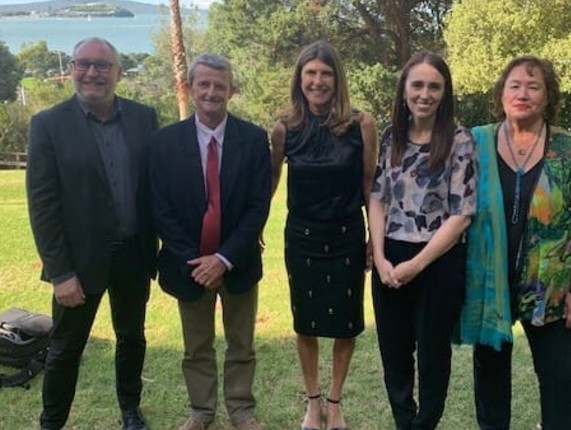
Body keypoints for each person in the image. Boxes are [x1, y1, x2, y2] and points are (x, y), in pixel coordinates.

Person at [456, 55, 571, 430]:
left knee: (561, 379)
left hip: (551, 292)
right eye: (515, 85)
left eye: (533, 86)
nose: (523, 93)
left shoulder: (568, 149)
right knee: (490, 385)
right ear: (501, 94)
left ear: (548, 95)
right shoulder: (476, 142)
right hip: (490, 289)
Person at [26, 37, 158, 430]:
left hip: (134, 253)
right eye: (84, 64)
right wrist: (60, 272)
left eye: (102, 65)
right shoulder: (48, 124)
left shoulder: (143, 117)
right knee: (66, 348)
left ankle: (130, 411)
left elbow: (155, 185)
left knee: (132, 338)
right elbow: (43, 204)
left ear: (119, 72)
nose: (92, 73)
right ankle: (52, 422)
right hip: (78, 263)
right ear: (71, 69)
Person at [149, 53, 271, 430]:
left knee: (241, 344)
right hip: (189, 266)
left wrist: (224, 258)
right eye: (204, 84)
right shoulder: (165, 142)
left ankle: (241, 410)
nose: (212, 92)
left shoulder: (253, 139)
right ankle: (201, 411)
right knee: (196, 346)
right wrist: (198, 261)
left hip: (238, 262)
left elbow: (257, 206)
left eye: (220, 85)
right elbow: (160, 208)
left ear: (231, 90)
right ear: (189, 87)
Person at [270, 41, 377, 430]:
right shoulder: (284, 128)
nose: (318, 81)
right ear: (300, 79)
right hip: (302, 237)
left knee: (346, 323)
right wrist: (251, 231)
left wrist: (373, 239)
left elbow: (370, 184)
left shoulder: (360, 124)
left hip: (347, 234)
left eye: (326, 73)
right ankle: (313, 402)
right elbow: (269, 184)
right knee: (306, 322)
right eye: (311, 73)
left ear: (337, 79)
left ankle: (335, 401)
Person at [369, 50, 477, 430]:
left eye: (434, 86)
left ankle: (424, 425)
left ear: (445, 93)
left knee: (432, 356)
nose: (425, 94)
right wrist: (379, 257)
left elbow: (461, 214)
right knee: (394, 354)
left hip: (437, 262)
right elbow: (378, 197)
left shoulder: (459, 140)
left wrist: (417, 264)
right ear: (404, 91)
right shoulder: (391, 137)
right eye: (417, 85)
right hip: (390, 257)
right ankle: (404, 422)